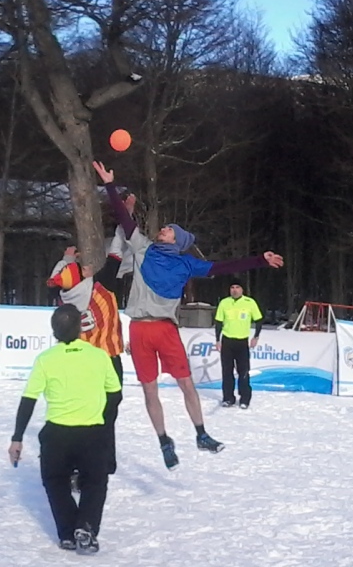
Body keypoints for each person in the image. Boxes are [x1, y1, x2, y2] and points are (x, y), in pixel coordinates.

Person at [92, 160, 284, 470]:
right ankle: (164, 441)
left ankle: (201, 433)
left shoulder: (188, 264)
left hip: (167, 330)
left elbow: (225, 267)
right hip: (140, 330)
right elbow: (124, 219)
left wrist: (260, 260)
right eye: (165, 228)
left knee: (186, 385)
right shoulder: (142, 248)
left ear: (176, 241)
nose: (163, 229)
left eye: (168, 230)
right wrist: (110, 185)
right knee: (150, 390)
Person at [7, 305, 122, 554]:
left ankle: (68, 532)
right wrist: (102, 417)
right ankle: (86, 526)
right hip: (92, 432)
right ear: (80, 328)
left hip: (57, 434)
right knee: (95, 481)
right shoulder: (99, 356)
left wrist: (17, 438)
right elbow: (115, 394)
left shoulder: (46, 359)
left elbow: (29, 400)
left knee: (55, 480)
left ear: (54, 331)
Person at [48, 246, 125, 477]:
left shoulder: (63, 298)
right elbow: (115, 256)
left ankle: (75, 464)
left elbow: (55, 278)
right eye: (84, 270)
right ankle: (104, 461)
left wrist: (67, 258)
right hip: (107, 358)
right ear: (83, 280)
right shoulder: (100, 287)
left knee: (80, 413)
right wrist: (125, 219)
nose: (89, 269)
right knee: (107, 413)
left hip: (79, 362)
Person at [214, 278, 264, 409]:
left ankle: (245, 398)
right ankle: (228, 398)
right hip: (227, 341)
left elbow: (259, 320)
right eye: (232, 287)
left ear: (242, 289)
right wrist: (217, 340)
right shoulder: (224, 303)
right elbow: (218, 322)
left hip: (242, 342)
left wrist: (256, 337)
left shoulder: (249, 302)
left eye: (237, 287)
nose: (234, 290)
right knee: (227, 371)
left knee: (243, 371)